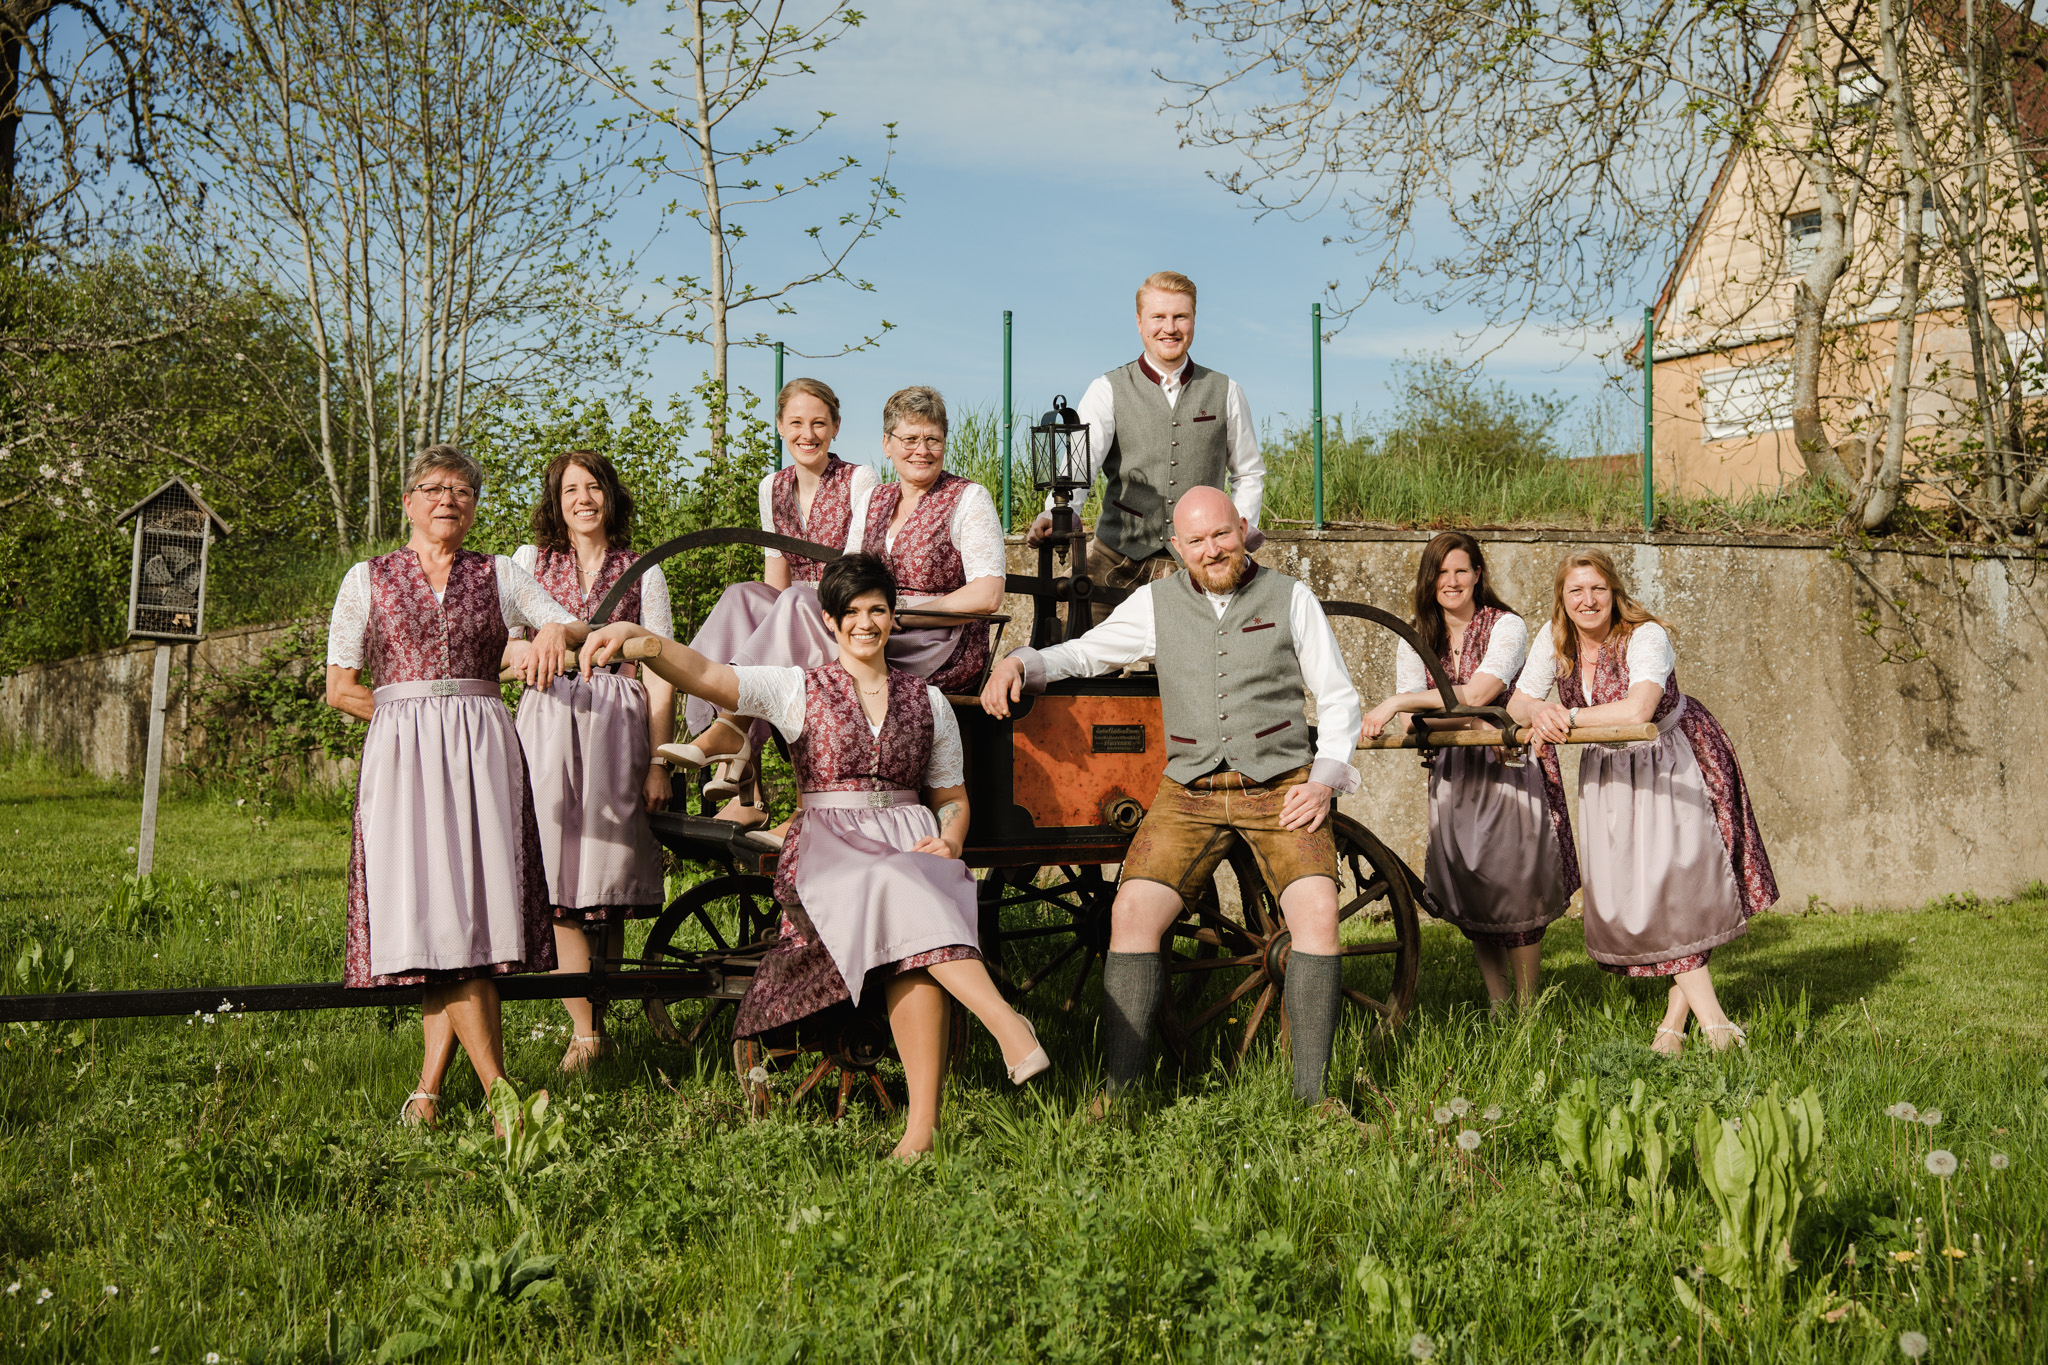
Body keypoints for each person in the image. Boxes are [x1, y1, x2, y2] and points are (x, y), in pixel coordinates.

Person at [584, 553, 1048, 1162]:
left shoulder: (929, 701)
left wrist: (952, 839)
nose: (865, 623)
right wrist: (643, 642)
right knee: (894, 880)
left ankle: (922, 1129)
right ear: (829, 621)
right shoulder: (798, 688)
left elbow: (951, 796)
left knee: (913, 935)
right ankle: (1007, 1024)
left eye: (877, 610)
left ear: (894, 618)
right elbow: (710, 676)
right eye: (850, 612)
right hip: (831, 843)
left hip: (910, 837)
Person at [983, 485, 1363, 1108]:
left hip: (1282, 784)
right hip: (1188, 791)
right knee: (1132, 913)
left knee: (1318, 912)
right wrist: (1022, 662)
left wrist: (1323, 780)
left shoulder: (1292, 597)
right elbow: (1087, 653)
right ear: (1176, 546)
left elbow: (1340, 697)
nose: (1212, 549)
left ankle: (1313, 1101)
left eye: (1222, 534)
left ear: (1243, 528)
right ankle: (1121, 1095)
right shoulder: (1155, 603)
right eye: (1197, 540)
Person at [324, 445, 590, 1127]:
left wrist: (552, 631)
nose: (448, 500)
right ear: (407, 502)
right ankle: (501, 1093)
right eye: (433, 489)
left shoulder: (499, 573)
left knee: (472, 921)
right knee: (435, 916)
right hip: (404, 758)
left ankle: (428, 1093)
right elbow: (340, 687)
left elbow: (571, 621)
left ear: (474, 507)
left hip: (483, 752)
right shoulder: (365, 578)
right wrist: (408, 722)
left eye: (462, 491)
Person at [673, 386, 1006, 818]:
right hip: (875, 625)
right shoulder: (876, 500)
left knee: (798, 600)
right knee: (757, 598)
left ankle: (732, 729)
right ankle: (728, 737)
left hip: (937, 642)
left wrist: (906, 612)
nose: (921, 451)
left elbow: (988, 593)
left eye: (933, 440)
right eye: (910, 439)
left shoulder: (968, 498)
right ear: (887, 444)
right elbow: (849, 576)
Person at [1507, 549, 1778, 1054]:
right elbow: (1518, 701)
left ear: (1614, 592)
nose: (1588, 600)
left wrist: (1564, 717)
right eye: (1576, 591)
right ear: (1562, 599)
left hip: (1675, 759)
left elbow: (1638, 709)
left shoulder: (1646, 635)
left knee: (1677, 887)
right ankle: (1679, 1027)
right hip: (1609, 772)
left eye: (1598, 589)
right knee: (1646, 894)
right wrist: (1540, 710)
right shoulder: (1555, 637)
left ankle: (1711, 1026)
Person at [506, 449, 675, 1072]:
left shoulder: (643, 570)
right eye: (570, 489)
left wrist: (659, 761)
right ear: (556, 502)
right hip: (548, 717)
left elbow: (662, 671)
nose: (583, 499)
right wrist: (533, 651)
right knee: (555, 866)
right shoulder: (528, 563)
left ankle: (598, 1021)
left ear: (610, 495)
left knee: (607, 872)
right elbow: (506, 644)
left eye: (594, 486)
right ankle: (584, 1032)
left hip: (617, 724)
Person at [1361, 532, 1577, 1010]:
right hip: (1455, 767)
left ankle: (1528, 1009)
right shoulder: (1417, 635)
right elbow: (1413, 724)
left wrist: (1402, 702)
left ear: (1478, 574)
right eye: (1441, 572)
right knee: (1474, 882)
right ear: (1429, 579)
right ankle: (1499, 1005)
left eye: (1461, 570)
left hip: (1508, 762)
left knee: (1515, 884)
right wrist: (1468, 719)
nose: (1452, 581)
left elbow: (1480, 693)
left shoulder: (1506, 626)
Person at [667, 378, 878, 827]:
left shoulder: (859, 479)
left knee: (798, 598)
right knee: (740, 595)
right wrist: (769, 622)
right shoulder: (772, 487)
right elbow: (775, 575)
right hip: (794, 607)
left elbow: (859, 570)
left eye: (819, 423)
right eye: (796, 423)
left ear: (836, 427)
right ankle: (748, 788)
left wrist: (799, 608)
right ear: (780, 426)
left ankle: (732, 730)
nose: (808, 434)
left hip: (842, 612)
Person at [1026, 271, 1266, 623]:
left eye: (1180, 316)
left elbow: (1248, 473)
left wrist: (1237, 537)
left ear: (1194, 320)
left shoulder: (1227, 390)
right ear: (1140, 322)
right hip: (1116, 558)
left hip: (1197, 563)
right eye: (1158, 317)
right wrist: (1055, 513)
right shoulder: (1106, 389)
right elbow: (1078, 469)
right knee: (1070, 639)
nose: (1170, 328)